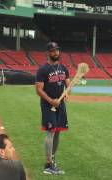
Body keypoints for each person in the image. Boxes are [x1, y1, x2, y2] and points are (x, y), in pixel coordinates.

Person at [35, 42, 70, 175]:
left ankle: (52, 159)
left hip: (60, 105)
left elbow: (67, 84)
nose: (56, 53)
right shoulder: (43, 70)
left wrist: (67, 92)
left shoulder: (63, 68)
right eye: (53, 51)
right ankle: (48, 164)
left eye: (57, 50)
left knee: (58, 131)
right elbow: (38, 90)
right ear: (48, 53)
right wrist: (51, 101)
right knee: (50, 132)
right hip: (48, 105)